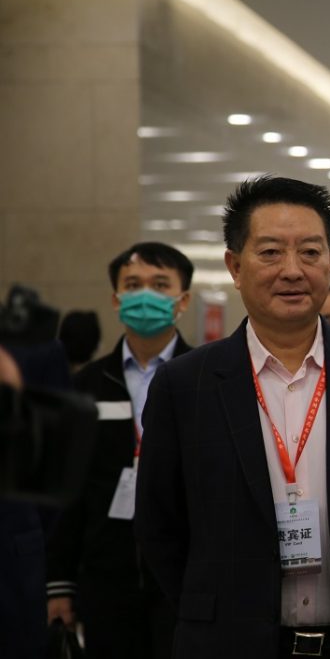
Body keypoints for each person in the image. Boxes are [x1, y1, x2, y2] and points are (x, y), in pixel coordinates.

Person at [134, 176, 330, 659]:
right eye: (270, 252)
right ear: (235, 266)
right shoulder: (185, 385)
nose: (292, 270)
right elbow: (158, 523)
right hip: (228, 643)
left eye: (310, 252)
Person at [46, 241, 194, 659]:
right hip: (105, 580)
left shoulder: (205, 378)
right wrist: (59, 583)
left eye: (160, 285)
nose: (145, 295)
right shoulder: (86, 385)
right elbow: (67, 490)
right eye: (132, 285)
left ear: (182, 300)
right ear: (116, 299)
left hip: (188, 579)